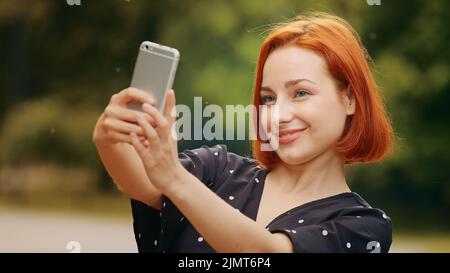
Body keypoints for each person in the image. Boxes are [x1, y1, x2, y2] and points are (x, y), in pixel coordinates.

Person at [92, 12, 394, 253]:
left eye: (301, 93)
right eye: (268, 98)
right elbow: (147, 186)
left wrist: (174, 178)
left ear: (350, 99)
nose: (277, 115)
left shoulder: (364, 228)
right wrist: (109, 141)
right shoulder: (219, 169)